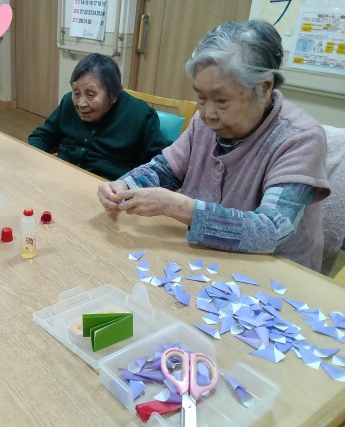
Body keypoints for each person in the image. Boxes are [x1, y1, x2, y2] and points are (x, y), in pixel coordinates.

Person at [98, 20, 330, 271]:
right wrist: (124, 185)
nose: (208, 113)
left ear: (264, 87)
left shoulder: (300, 138)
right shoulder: (203, 123)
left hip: (277, 271)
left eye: (221, 101)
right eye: (201, 98)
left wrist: (176, 205)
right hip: (205, 258)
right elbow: (166, 169)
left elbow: (270, 230)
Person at [28, 53, 171, 180]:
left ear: (113, 95)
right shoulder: (68, 102)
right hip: (62, 175)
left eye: (90, 94)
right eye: (76, 93)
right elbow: (42, 136)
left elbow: (160, 164)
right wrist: (34, 163)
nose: (81, 103)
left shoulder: (139, 115)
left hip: (108, 189)